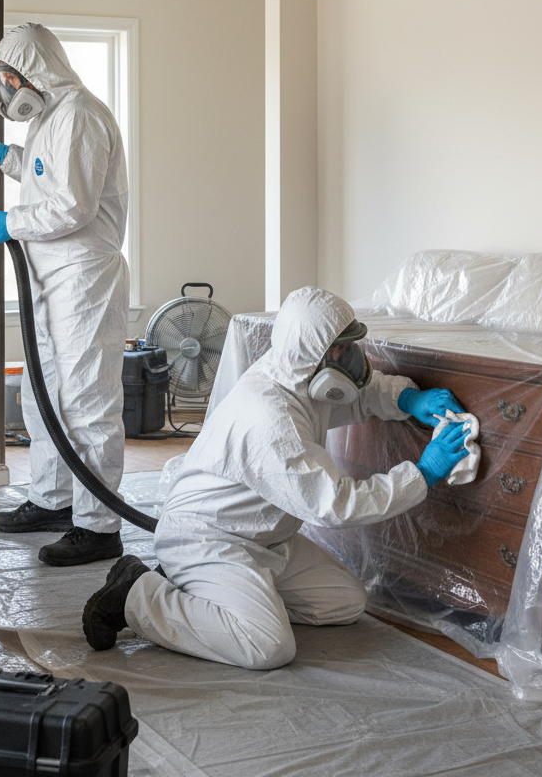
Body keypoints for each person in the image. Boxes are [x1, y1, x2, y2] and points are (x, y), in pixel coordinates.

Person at [82, 285, 469, 667]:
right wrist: (422, 473)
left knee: (346, 602)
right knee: (269, 646)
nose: (350, 357)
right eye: (341, 348)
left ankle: (221, 595)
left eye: (350, 345)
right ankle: (137, 594)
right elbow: (334, 506)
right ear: (317, 352)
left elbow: (359, 394)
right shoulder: (271, 417)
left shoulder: (298, 376)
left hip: (269, 540)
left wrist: (406, 398)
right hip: (209, 537)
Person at [0, 22, 130, 567]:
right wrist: (4, 156)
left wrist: (9, 221)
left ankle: (98, 525)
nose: (9, 91)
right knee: (43, 391)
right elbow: (48, 183)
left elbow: (74, 208)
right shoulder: (50, 117)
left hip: (83, 275)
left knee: (86, 400)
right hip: (50, 271)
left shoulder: (80, 115)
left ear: (35, 72)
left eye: (12, 78)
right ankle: (53, 499)